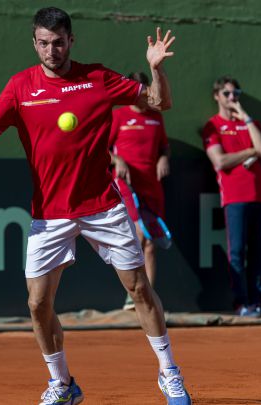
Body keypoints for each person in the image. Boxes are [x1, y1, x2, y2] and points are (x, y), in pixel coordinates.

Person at [0, 7, 192, 405]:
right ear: (34, 43)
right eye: (44, 43)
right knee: (38, 303)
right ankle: (63, 384)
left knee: (140, 289)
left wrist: (156, 69)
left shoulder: (99, 77)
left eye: (58, 42)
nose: (51, 50)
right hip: (49, 215)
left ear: (71, 41)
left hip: (102, 207)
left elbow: (160, 103)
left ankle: (169, 373)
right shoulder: (20, 86)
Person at [200, 75, 261, 318]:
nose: (232, 98)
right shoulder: (213, 126)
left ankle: (258, 303)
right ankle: (241, 304)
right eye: (228, 94)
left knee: (258, 254)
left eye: (236, 94)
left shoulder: (252, 124)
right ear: (217, 96)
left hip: (260, 197)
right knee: (237, 253)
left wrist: (245, 116)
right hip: (234, 198)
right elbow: (219, 161)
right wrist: (250, 152)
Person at [109, 71, 171, 311]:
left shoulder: (156, 117)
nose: (142, 95)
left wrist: (164, 159)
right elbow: (102, 150)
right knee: (139, 236)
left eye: (144, 90)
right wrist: (118, 160)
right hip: (126, 185)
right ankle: (135, 294)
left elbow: (165, 148)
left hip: (152, 186)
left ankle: (147, 299)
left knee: (151, 244)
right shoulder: (118, 116)